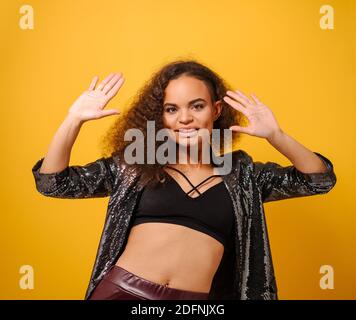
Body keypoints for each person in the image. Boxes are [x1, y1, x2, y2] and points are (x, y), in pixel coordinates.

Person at [32, 60, 337, 300]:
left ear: (216, 110)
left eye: (197, 106)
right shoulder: (136, 164)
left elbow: (319, 180)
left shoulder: (243, 174)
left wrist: (276, 136)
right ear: (160, 118)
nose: (185, 118)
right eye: (171, 109)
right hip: (123, 293)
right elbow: (54, 183)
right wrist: (73, 119)